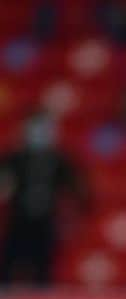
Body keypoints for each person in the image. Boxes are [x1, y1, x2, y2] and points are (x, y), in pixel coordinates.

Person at [0, 110, 86, 287]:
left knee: (44, 268)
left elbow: (75, 187)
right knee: (9, 263)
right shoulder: (15, 157)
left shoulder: (59, 159)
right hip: (19, 218)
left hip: (46, 219)